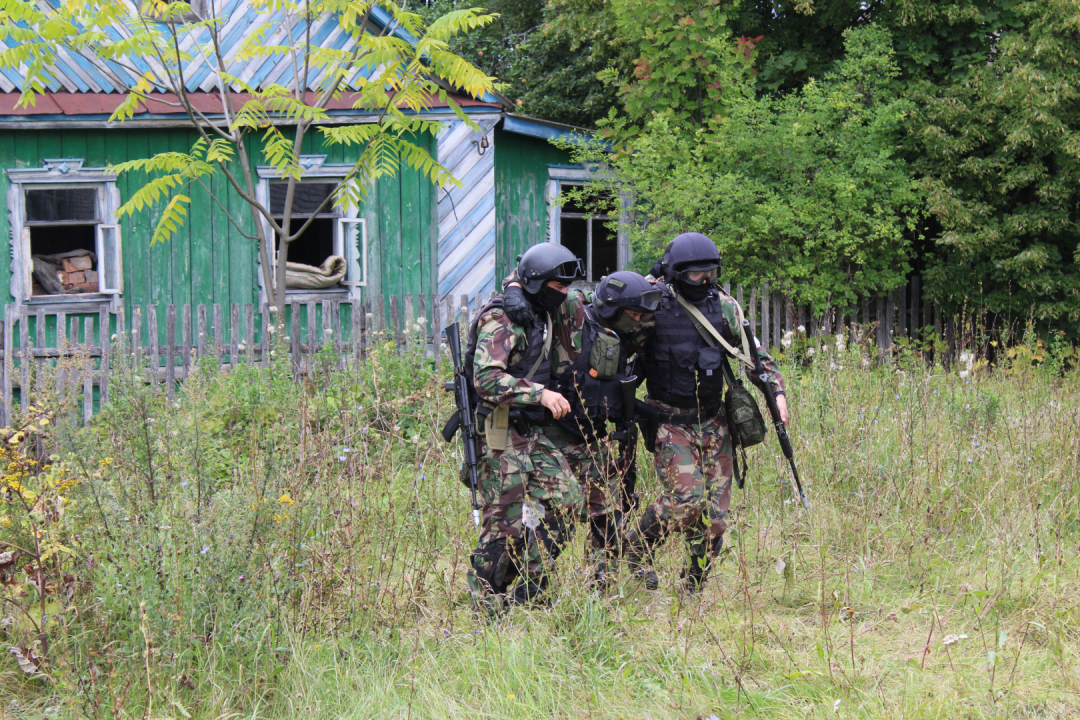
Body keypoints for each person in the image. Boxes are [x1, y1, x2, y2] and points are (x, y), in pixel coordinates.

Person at [625, 232, 789, 594]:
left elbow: (755, 355)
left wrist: (776, 392)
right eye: (696, 275)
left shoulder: (724, 307)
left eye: (710, 273)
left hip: (715, 421)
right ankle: (634, 552)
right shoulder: (651, 303)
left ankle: (693, 588)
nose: (705, 281)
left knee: (715, 517)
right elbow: (614, 338)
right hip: (669, 422)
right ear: (676, 274)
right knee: (686, 501)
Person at [505, 271, 661, 588]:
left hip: (600, 435)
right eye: (635, 314)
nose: (641, 320)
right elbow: (532, 273)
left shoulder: (629, 330)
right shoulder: (572, 308)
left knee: (611, 512)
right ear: (614, 307)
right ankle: (528, 583)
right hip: (554, 432)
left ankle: (598, 584)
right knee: (559, 513)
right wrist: (512, 289)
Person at [464, 243, 585, 614]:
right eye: (557, 287)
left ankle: (531, 586)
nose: (563, 294)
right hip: (500, 430)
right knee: (503, 523)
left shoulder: (539, 307)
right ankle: (486, 601)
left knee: (569, 502)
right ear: (537, 285)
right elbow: (486, 379)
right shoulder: (502, 318)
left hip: (532, 431)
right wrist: (540, 393)